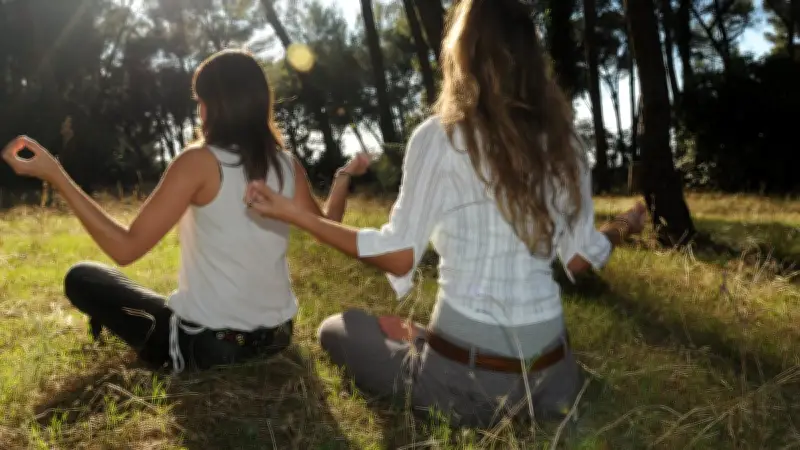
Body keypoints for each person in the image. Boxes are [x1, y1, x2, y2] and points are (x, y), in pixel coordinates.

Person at [244, 0, 647, 427]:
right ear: (532, 57)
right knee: (400, 329)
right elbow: (580, 258)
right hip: (554, 381)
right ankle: (426, 338)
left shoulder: (441, 137)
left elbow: (399, 255)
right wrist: (624, 224)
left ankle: (426, 345)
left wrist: (298, 215)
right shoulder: (567, 143)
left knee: (339, 328)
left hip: (465, 385)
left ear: (462, 53)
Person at [1, 49, 370, 374]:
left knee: (83, 277)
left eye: (200, 100)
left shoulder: (198, 162)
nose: (199, 110)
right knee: (149, 296)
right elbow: (329, 226)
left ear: (214, 105)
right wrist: (342, 177)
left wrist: (56, 175)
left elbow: (126, 249)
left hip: (207, 347)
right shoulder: (287, 164)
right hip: (277, 338)